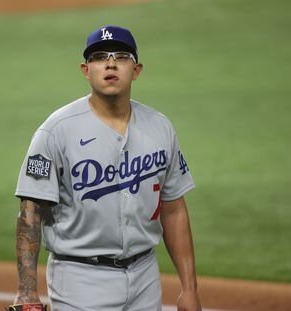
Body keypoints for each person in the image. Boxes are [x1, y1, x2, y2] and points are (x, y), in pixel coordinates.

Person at [13, 25, 202, 311]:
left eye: (121, 56)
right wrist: (27, 292)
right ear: (86, 70)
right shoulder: (55, 131)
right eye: (99, 56)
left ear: (136, 70)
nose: (110, 63)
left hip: (145, 276)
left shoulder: (160, 127)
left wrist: (189, 288)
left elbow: (174, 207)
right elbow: (30, 213)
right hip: (79, 280)